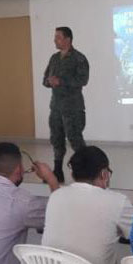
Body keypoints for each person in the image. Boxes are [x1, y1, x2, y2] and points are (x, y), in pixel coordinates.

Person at [43, 26, 90, 183]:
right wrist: (49, 81)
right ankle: (57, 171)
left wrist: (61, 81)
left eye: (58, 37)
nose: (54, 40)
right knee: (56, 139)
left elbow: (83, 80)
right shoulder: (54, 58)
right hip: (56, 107)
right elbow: (45, 79)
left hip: (73, 108)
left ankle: (87, 171)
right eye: (55, 37)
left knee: (75, 140)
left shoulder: (79, 58)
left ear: (68, 39)